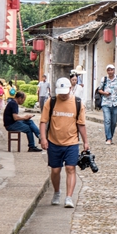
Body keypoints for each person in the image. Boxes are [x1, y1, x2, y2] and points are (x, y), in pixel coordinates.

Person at [39, 77, 88, 208]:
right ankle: (57, 192)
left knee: (70, 168)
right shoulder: (51, 102)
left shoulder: (77, 103)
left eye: (65, 92)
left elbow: (81, 124)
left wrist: (85, 142)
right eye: (60, 93)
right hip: (54, 141)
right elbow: (43, 122)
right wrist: (43, 138)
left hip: (72, 142)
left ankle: (69, 197)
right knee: (55, 170)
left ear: (70, 89)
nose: (63, 95)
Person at [98, 64, 117, 144]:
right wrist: (105, 93)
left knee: (114, 122)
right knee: (107, 120)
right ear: (107, 71)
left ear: (114, 70)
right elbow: (99, 90)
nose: (110, 72)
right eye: (108, 70)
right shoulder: (104, 79)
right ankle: (108, 138)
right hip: (106, 103)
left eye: (111, 70)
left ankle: (110, 136)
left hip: (115, 103)